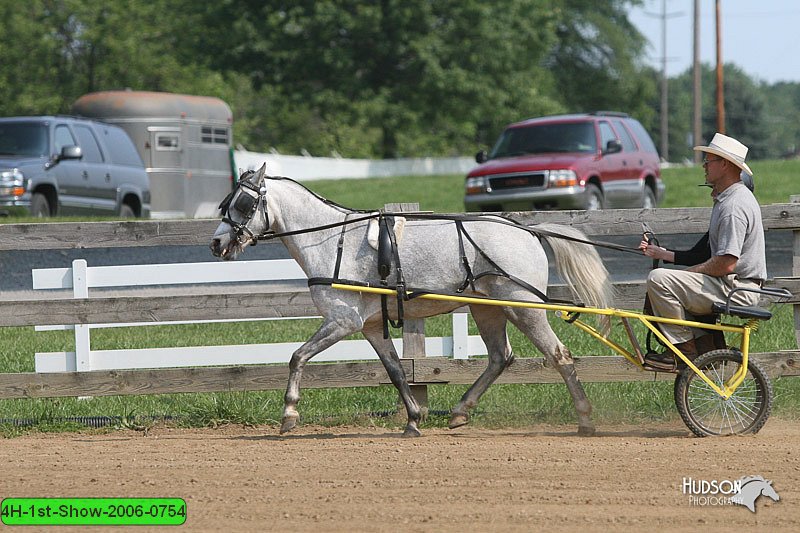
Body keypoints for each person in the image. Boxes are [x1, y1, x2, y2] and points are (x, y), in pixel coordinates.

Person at [639, 133, 767, 371]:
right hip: (731, 284)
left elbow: (726, 264)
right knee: (667, 280)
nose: (704, 166)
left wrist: (689, 274)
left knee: (658, 280)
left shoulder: (733, 207)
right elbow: (703, 253)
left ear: (725, 164)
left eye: (708, 160)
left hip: (736, 289)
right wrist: (662, 253)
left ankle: (682, 353)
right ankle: (707, 349)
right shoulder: (729, 200)